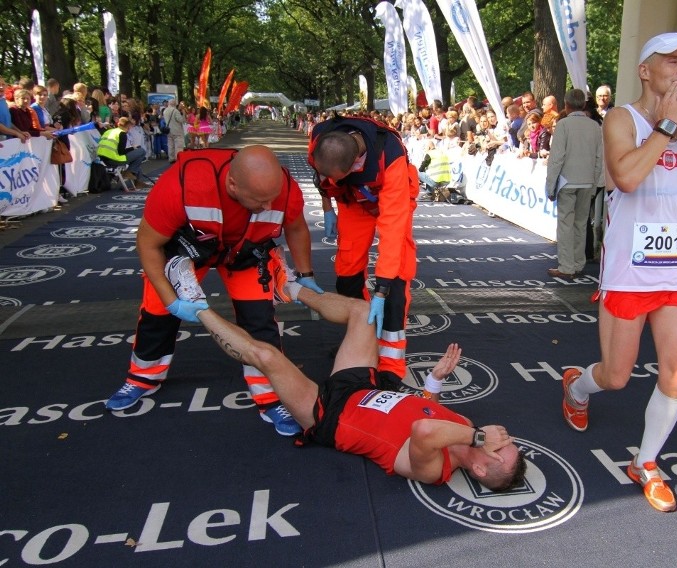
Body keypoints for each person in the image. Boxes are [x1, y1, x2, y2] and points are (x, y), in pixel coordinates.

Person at [163, 254, 526, 489]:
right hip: (362, 385)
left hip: (329, 414)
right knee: (361, 311)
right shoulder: (463, 425)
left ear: (480, 469)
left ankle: (195, 306)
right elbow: (428, 410)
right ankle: (286, 287)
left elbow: (425, 429)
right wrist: (434, 381)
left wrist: (478, 437)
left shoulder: (436, 469)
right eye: (506, 444)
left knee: (268, 357)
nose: (501, 441)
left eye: (500, 451)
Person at [560, 32, 677, 512]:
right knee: (615, 377)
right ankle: (575, 384)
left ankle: (646, 462)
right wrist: (667, 128)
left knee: (676, 374)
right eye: (672, 60)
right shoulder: (621, 118)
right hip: (629, 274)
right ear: (645, 70)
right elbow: (627, 177)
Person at [103, 145, 322, 436]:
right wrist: (171, 300)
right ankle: (143, 376)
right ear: (233, 184)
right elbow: (148, 243)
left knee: (260, 322)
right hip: (190, 251)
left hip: (246, 253)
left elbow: (295, 227)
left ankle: (270, 397)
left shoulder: (283, 188)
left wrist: (305, 274)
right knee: (157, 313)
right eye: (259, 201)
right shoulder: (181, 184)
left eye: (272, 199)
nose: (269, 207)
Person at [309, 115, 419, 378]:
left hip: (390, 199)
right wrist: (328, 209)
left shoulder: (390, 157)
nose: (328, 180)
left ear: (356, 165)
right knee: (346, 276)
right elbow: (322, 182)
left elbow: (392, 230)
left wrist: (381, 290)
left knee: (395, 282)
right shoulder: (321, 140)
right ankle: (363, 337)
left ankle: (391, 364)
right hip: (353, 201)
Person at [545, 88, 603, 279]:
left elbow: (557, 158)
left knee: (565, 224)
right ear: (584, 104)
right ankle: (578, 263)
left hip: (567, 181)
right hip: (587, 181)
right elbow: (598, 158)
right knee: (580, 223)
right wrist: (594, 183)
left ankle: (566, 266)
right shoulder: (595, 126)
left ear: (566, 104)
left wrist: (550, 185)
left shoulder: (563, 125)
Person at [97, 117, 148, 186]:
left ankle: (136, 179)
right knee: (141, 151)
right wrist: (132, 148)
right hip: (114, 159)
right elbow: (121, 152)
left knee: (135, 160)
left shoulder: (109, 131)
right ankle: (129, 173)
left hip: (103, 159)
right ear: (128, 126)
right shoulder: (122, 134)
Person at [162, 99, 186, 163]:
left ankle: (171, 158)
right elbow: (181, 120)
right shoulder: (175, 111)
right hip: (177, 130)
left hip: (169, 130)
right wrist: (183, 114)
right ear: (174, 104)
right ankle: (178, 158)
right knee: (178, 146)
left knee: (170, 145)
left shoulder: (165, 111)